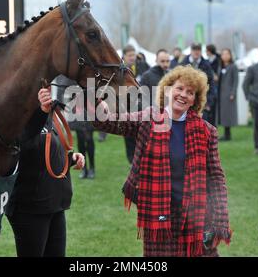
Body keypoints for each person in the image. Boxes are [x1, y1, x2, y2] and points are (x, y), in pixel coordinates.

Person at [92, 66, 232, 257]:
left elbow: (216, 177)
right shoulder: (148, 119)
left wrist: (220, 217)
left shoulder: (207, 131)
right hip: (159, 214)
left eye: (190, 92)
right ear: (168, 90)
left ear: (195, 100)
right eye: (180, 88)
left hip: (196, 215)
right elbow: (108, 122)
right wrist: (96, 101)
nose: (183, 95)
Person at [6, 88, 85, 257]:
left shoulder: (48, 114)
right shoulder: (16, 114)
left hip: (55, 203)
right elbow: (21, 146)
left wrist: (70, 159)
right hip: (30, 207)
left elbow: (48, 151)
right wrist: (41, 113)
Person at [181, 43, 216, 126]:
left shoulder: (207, 65)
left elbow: (211, 84)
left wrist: (208, 103)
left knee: (202, 128)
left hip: (202, 103)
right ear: (191, 51)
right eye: (194, 49)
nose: (196, 52)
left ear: (201, 51)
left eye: (198, 50)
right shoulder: (183, 63)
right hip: (185, 101)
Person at [218, 48, 239, 141]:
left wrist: (233, 93)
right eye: (223, 54)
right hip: (221, 94)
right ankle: (225, 134)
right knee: (223, 114)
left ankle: (227, 134)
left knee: (228, 114)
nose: (225, 56)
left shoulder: (233, 66)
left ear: (230, 55)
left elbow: (236, 81)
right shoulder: (221, 67)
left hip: (229, 94)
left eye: (227, 54)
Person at [206, 44, 221, 126]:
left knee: (214, 109)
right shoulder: (207, 61)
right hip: (210, 86)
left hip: (216, 87)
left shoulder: (218, 60)